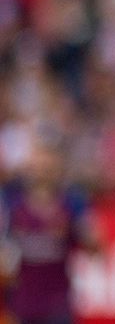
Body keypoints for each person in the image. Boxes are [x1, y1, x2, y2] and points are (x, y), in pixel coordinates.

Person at [0, 138, 103, 324]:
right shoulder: (12, 202)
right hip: (21, 305)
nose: (42, 171)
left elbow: (96, 248)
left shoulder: (73, 203)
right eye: (38, 166)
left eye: (47, 167)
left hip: (58, 305)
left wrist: (87, 233)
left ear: (58, 169)